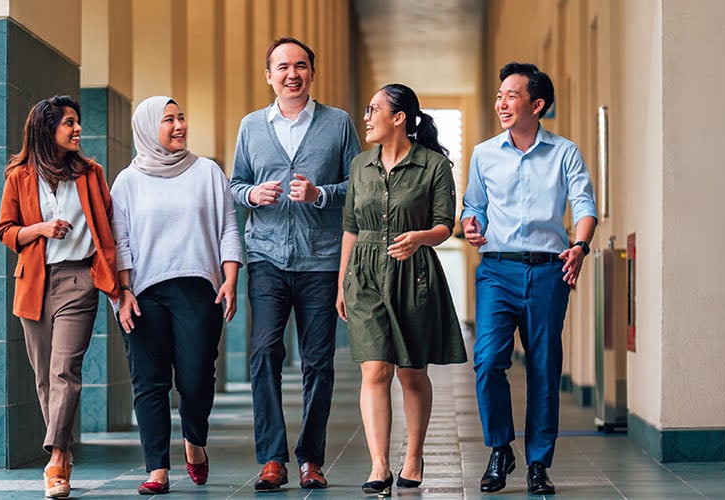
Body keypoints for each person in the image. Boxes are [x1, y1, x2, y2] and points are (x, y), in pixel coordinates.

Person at [229, 36, 361, 491]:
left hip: (320, 259)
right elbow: (235, 184)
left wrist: (321, 193)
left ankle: (310, 458)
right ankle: (272, 457)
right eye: (282, 67)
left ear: (312, 72)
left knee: (318, 362)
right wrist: (252, 194)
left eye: (300, 66)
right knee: (265, 352)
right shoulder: (251, 126)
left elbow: (357, 185)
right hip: (266, 256)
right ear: (269, 75)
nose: (292, 74)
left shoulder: (337, 123)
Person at [462, 62, 597, 495]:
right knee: (487, 361)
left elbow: (584, 204)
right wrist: (470, 223)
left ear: (536, 105)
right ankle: (500, 448)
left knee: (543, 367)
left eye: (512, 95)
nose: (501, 103)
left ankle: (539, 463)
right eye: (499, 95)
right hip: (497, 270)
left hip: (547, 271)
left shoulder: (564, 153)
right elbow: (474, 206)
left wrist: (580, 246)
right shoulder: (484, 154)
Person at [336, 84, 467, 496]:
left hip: (414, 273)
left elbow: (445, 224)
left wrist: (419, 238)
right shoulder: (360, 165)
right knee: (375, 369)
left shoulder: (434, 165)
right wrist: (342, 282)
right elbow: (351, 227)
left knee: (411, 372)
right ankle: (379, 464)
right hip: (364, 273)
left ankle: (413, 456)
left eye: (373, 109)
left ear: (399, 118)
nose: (366, 117)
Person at [111, 96, 243, 496]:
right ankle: (157, 469)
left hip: (198, 288)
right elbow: (120, 242)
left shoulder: (207, 172)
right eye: (168, 119)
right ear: (148, 127)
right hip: (143, 293)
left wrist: (230, 278)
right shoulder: (127, 181)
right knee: (149, 382)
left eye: (181, 117)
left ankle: (194, 440)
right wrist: (123, 292)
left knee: (196, 377)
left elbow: (228, 227)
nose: (179, 125)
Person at [0, 96, 119, 499]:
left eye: (77, 122)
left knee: (65, 370)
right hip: (34, 282)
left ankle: (56, 458)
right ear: (47, 130)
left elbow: (109, 223)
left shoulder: (91, 173)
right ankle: (62, 456)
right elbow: (6, 231)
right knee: (44, 377)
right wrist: (40, 229)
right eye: (69, 123)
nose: (77, 129)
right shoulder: (19, 177)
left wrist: (117, 279)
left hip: (79, 280)